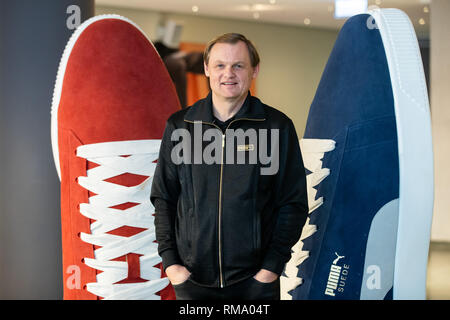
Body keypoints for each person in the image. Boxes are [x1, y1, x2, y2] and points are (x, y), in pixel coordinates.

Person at [150, 33, 308, 300]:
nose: (228, 73)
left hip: (256, 283)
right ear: (206, 69)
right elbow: (164, 197)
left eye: (238, 65)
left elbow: (292, 202)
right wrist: (172, 265)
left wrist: (270, 268)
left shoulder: (277, 127)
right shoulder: (180, 126)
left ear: (254, 70)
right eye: (220, 65)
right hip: (192, 281)